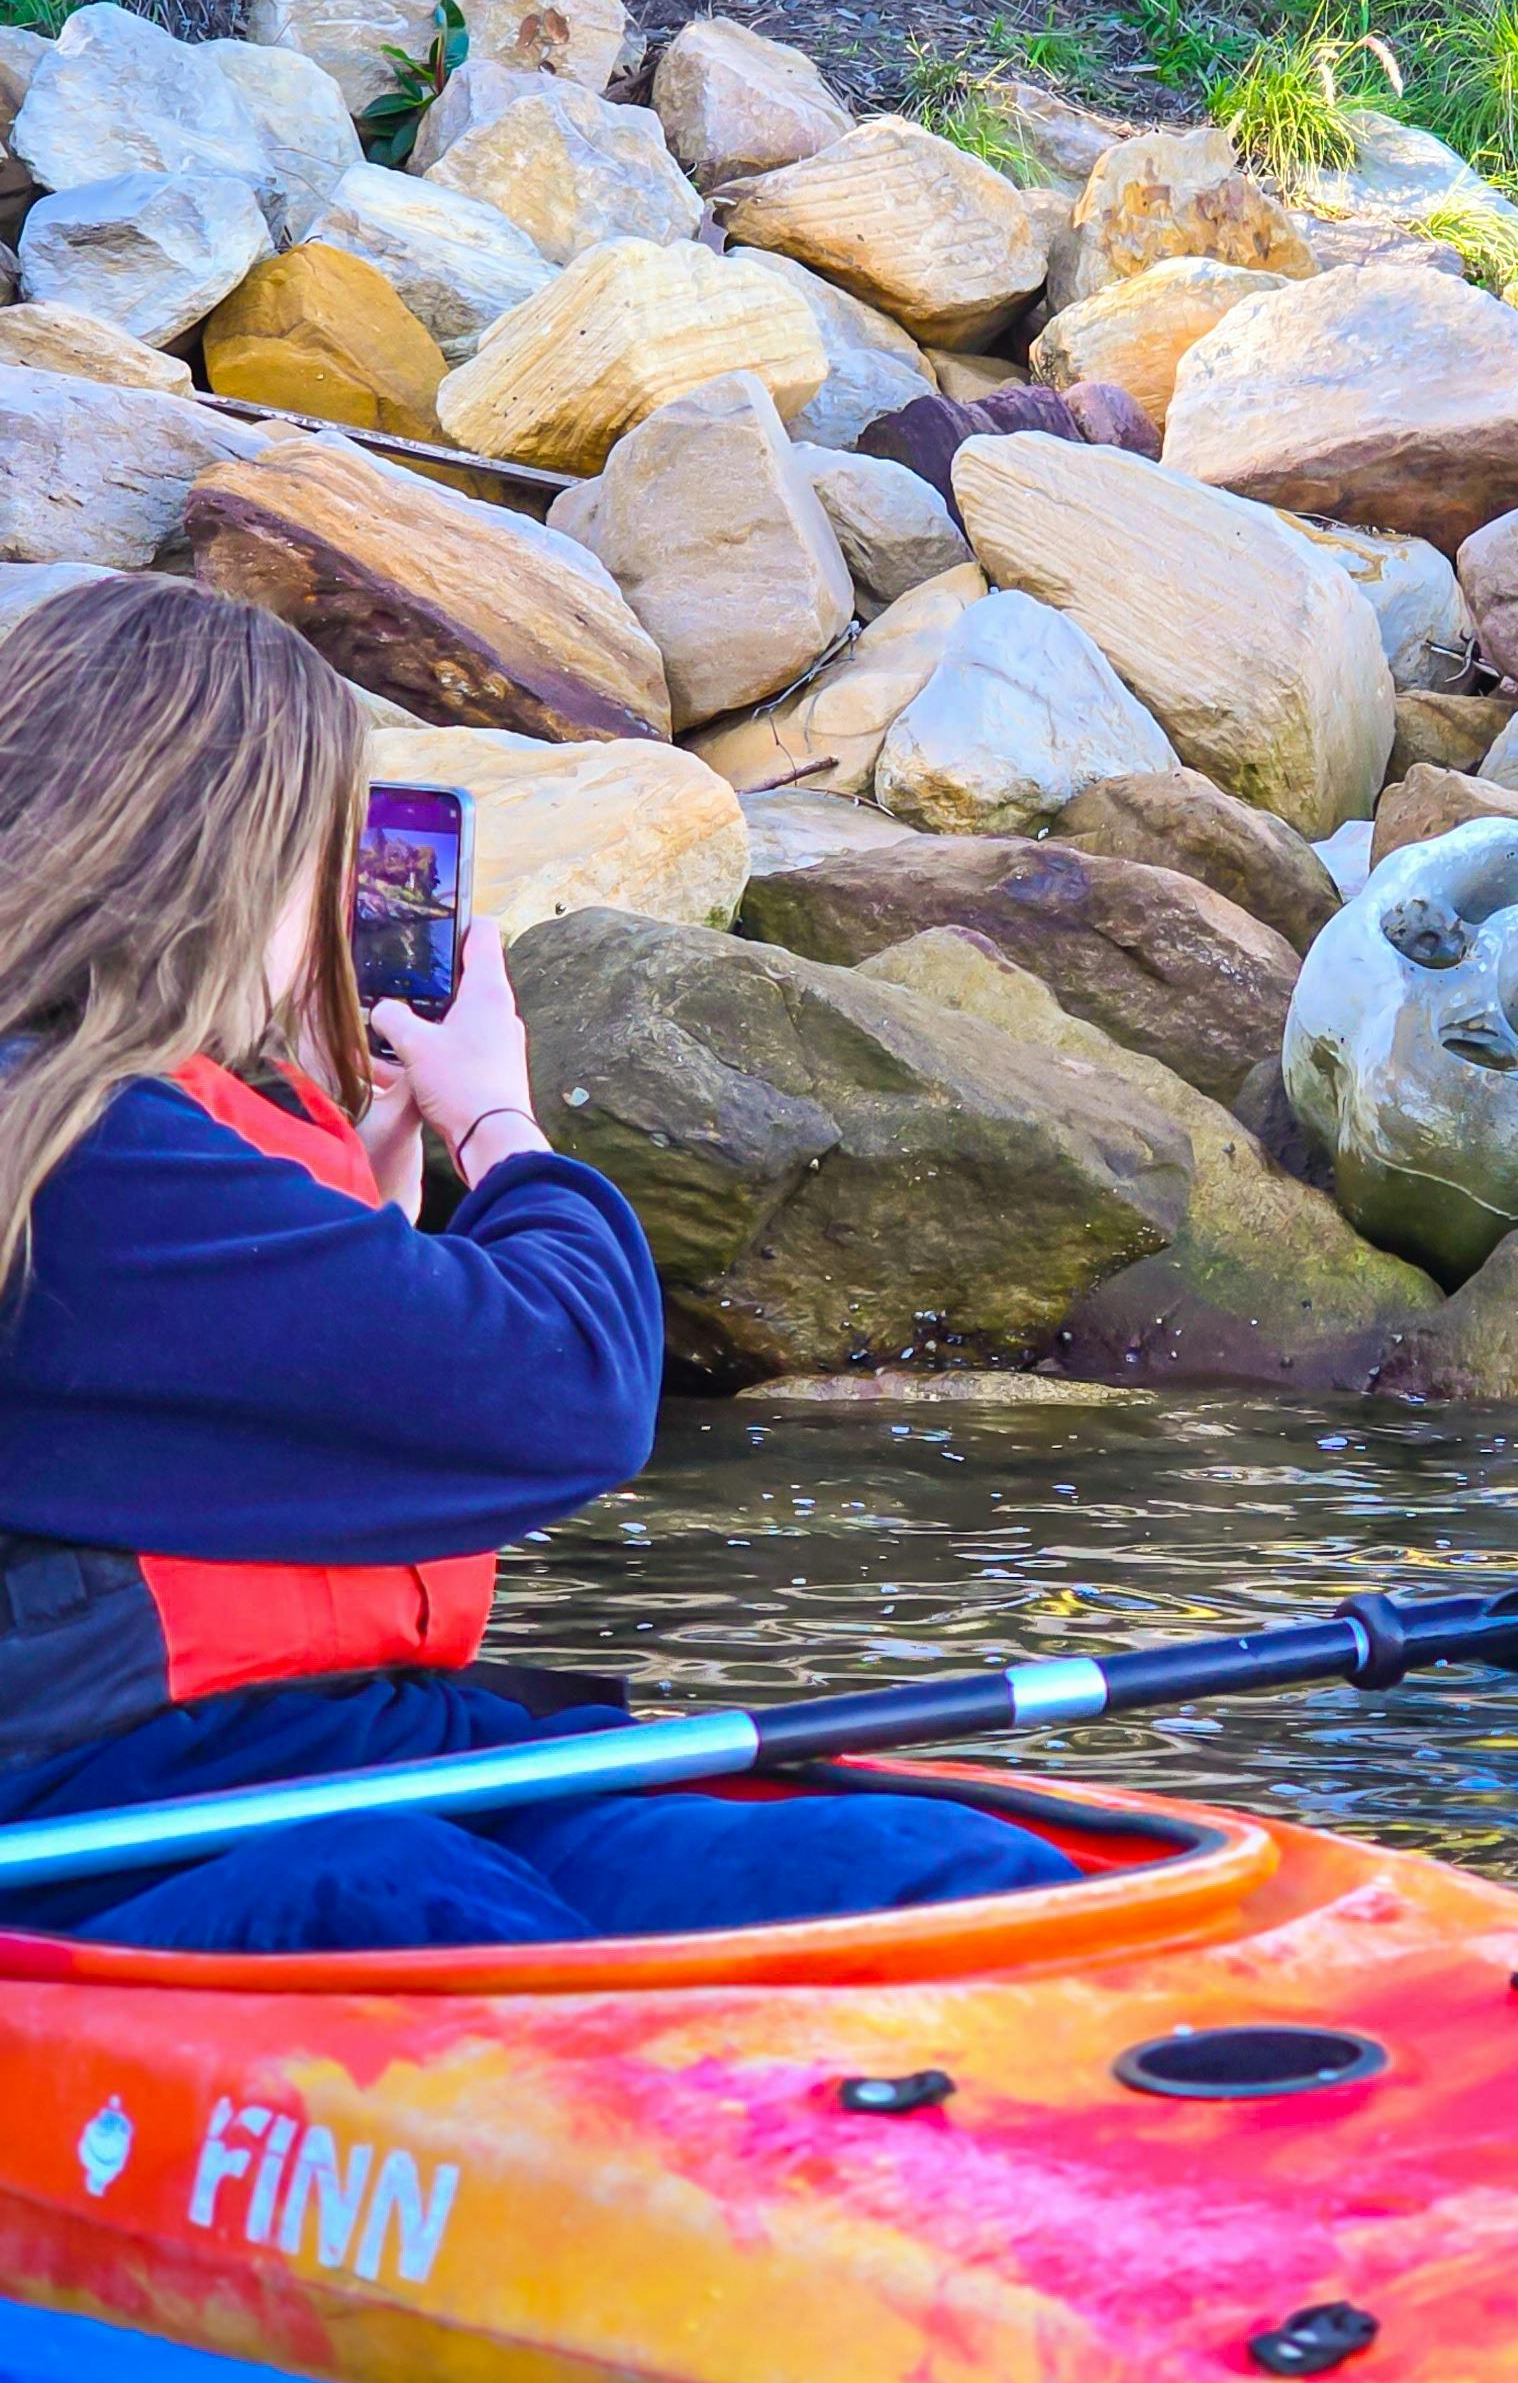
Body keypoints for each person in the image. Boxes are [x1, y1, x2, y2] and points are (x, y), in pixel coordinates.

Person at [0, 574, 1074, 1953]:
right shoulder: (89, 1146)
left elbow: (278, 1436)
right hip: (128, 1820)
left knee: (936, 1864)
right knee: (406, 1903)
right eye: (320, 864)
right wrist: (497, 1125)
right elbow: (570, 1390)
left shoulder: (135, 1138)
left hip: (361, 1765)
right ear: (227, 865)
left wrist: (368, 1195)